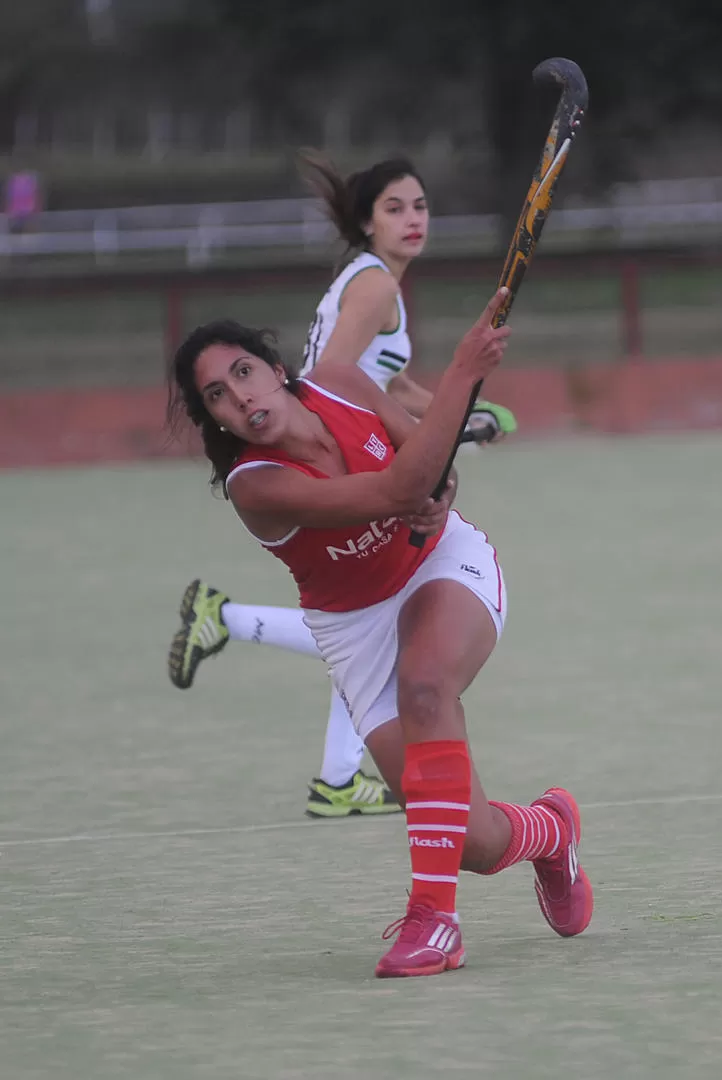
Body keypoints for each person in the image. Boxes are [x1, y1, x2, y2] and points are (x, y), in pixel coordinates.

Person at [167, 290, 593, 978]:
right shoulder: (257, 486)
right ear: (212, 417)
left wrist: (442, 492)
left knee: (426, 685)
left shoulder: (338, 381)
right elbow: (398, 487)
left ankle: (434, 923)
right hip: (355, 626)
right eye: (216, 394)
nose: (239, 397)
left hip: (440, 565)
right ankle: (552, 831)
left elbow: (427, 462)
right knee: (471, 843)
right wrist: (461, 372)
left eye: (244, 372)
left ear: (275, 368)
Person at [168, 154, 517, 819]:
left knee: (386, 625)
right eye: (394, 209)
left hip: (355, 439)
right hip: (334, 446)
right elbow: (338, 373)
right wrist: (452, 401)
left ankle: (336, 773)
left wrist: (449, 425)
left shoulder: (374, 283)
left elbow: (386, 384)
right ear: (365, 222)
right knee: (358, 608)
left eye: (420, 206)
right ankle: (240, 631)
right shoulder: (377, 286)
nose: (413, 220)